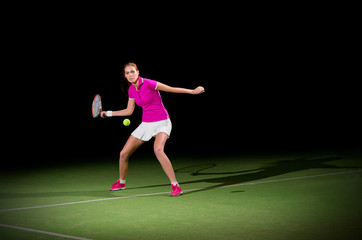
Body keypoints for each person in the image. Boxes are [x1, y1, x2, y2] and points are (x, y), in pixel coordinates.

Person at [101, 62, 205, 197]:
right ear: (125, 76)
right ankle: (121, 182)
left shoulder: (149, 83)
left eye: (132, 71)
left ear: (138, 72)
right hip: (146, 124)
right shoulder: (131, 90)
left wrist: (192, 91)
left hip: (162, 121)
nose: (130, 75)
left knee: (158, 150)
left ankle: (175, 185)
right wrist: (108, 113)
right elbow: (128, 111)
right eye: (127, 73)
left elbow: (171, 88)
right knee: (123, 154)